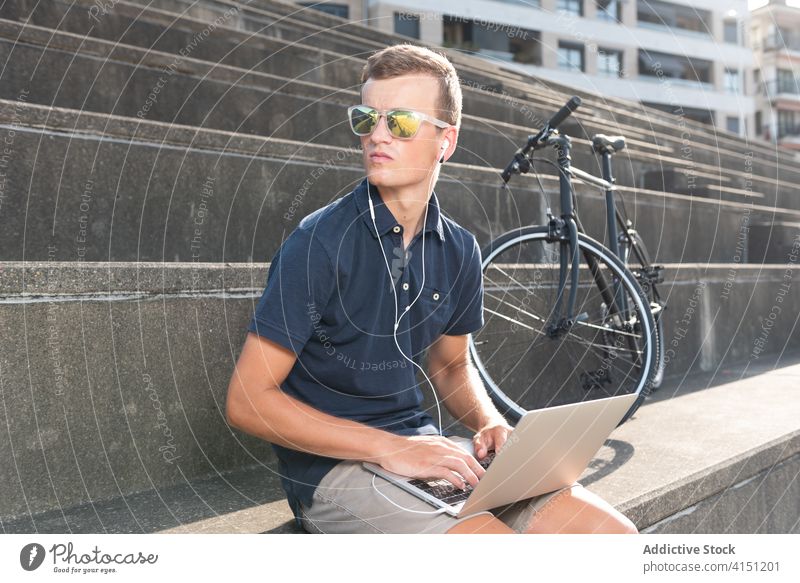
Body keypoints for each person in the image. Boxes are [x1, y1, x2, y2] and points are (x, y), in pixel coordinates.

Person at [225, 43, 638, 535]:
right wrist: (393, 448)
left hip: (427, 450)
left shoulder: (459, 248)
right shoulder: (317, 243)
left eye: (399, 122)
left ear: (446, 141)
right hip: (332, 473)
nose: (377, 136)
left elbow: (450, 364)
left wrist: (487, 424)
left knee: (611, 538)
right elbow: (248, 400)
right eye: (366, 119)